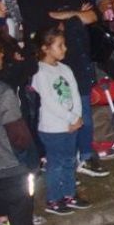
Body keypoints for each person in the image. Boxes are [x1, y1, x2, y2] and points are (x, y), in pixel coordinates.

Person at [15, 0, 108, 178]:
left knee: (82, 106)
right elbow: (41, 27)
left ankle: (86, 155)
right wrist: (76, 16)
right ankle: (54, 157)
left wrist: (62, 16)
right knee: (52, 107)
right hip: (47, 61)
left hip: (77, 55)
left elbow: (93, 15)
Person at [0, 39, 72, 225]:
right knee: (22, 224)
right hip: (8, 170)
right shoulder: (3, 91)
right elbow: (18, 135)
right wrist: (32, 163)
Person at [31, 28, 88, 215]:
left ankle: (69, 194)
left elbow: (75, 94)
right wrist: (71, 118)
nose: (64, 49)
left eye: (64, 45)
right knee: (56, 163)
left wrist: (78, 117)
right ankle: (53, 199)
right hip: (53, 127)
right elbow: (49, 101)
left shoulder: (65, 69)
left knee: (69, 161)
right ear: (46, 48)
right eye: (59, 45)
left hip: (71, 124)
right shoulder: (40, 72)